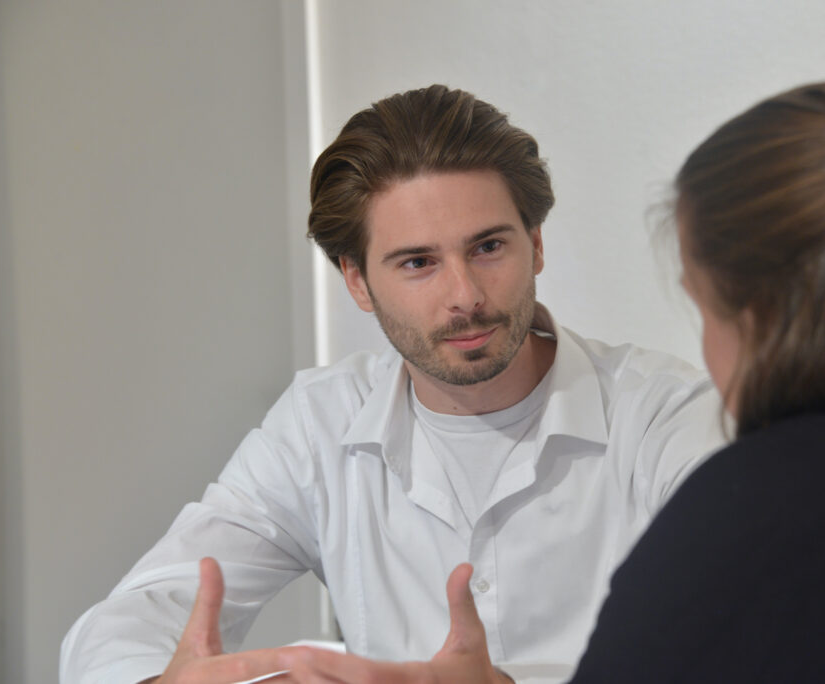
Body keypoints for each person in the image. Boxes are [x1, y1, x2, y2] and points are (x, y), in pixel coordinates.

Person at [293, 81, 825, 682]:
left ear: (757, 316)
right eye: (417, 262)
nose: (464, 296)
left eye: (700, 305)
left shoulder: (742, 502)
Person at [59, 84, 725, 684]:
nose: (465, 296)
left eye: (489, 247)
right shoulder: (321, 422)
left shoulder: (664, 415)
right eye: (417, 262)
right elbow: (127, 622)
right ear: (356, 281)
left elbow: (762, 638)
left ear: (537, 244)